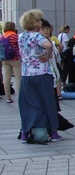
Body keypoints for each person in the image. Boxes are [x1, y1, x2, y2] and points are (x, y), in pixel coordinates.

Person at [17, 9, 61, 142]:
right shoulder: (37, 36)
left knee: (26, 103)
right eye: (40, 19)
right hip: (42, 73)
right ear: (35, 22)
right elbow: (48, 44)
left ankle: (25, 132)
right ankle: (53, 133)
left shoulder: (21, 36)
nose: (42, 21)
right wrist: (47, 55)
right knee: (47, 102)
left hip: (26, 74)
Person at [2, 21, 21, 103]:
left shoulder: (2, 36)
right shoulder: (14, 35)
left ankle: (8, 97)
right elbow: (19, 46)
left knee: (7, 78)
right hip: (15, 59)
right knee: (18, 77)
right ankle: (21, 96)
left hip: (5, 59)